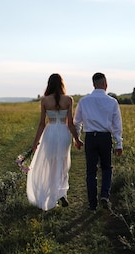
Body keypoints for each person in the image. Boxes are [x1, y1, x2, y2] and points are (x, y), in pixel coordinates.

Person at [27, 73, 83, 211]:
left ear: (49, 84)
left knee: (50, 163)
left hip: (50, 132)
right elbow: (70, 123)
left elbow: (41, 123)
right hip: (64, 133)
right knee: (63, 163)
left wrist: (35, 143)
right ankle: (61, 192)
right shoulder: (68, 99)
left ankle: (53, 194)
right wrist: (77, 139)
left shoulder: (45, 100)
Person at [73, 72, 123, 211]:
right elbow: (117, 126)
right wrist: (119, 143)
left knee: (91, 171)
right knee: (106, 168)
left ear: (93, 84)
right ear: (105, 84)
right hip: (105, 138)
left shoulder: (84, 101)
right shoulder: (112, 102)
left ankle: (92, 204)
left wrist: (77, 139)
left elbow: (77, 122)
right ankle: (105, 195)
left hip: (90, 137)